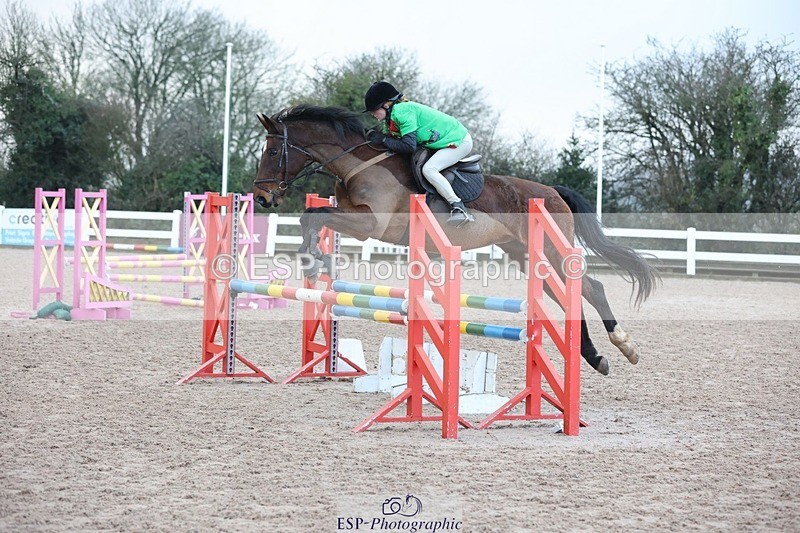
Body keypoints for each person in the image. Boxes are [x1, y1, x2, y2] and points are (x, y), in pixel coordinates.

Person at [363, 81, 475, 225]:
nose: (373, 114)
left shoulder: (402, 112)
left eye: (374, 110)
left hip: (458, 140)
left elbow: (408, 146)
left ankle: (459, 208)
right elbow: (391, 144)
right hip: (439, 141)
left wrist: (383, 139)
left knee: (429, 169)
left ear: (386, 105)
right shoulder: (390, 119)